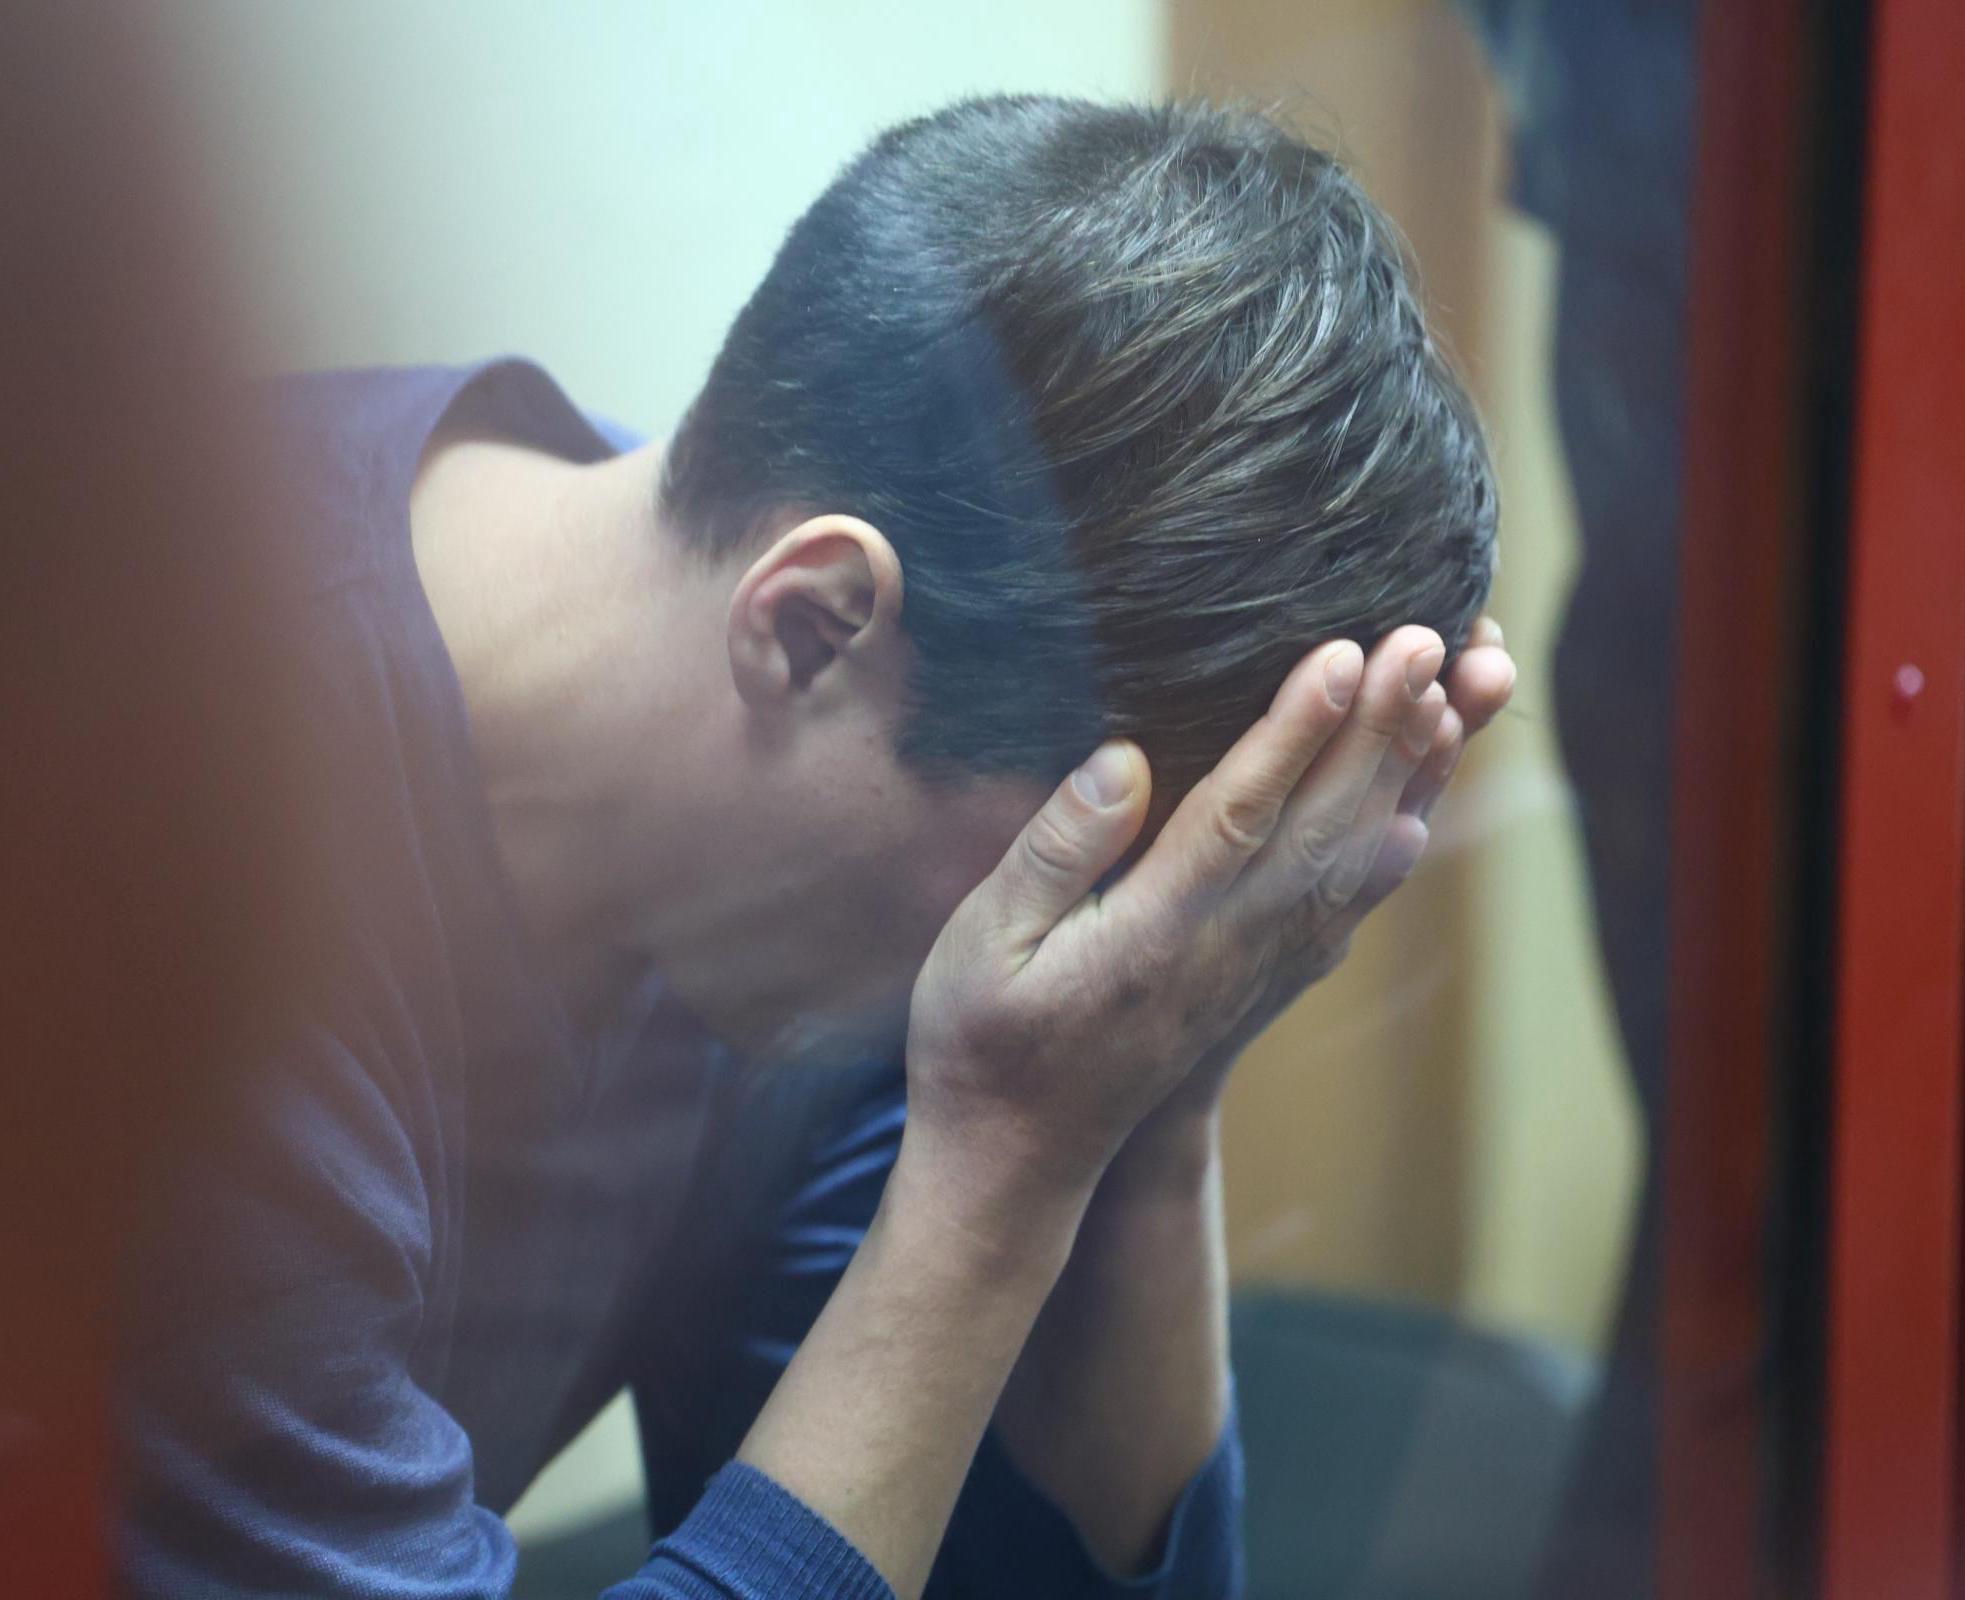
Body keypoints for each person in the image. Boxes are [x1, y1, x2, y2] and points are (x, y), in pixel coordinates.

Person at [118, 96, 1515, 1599]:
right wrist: (999, 1170)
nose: (1097, 979)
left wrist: (1159, 1107)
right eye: (1097, 896)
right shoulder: (165, 882)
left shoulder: (787, 886)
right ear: (809, 629)